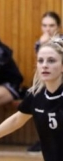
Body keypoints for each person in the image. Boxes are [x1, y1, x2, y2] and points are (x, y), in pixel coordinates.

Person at [28, 12, 61, 153]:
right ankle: (44, 140)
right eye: (45, 25)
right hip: (47, 85)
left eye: (51, 25)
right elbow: (42, 68)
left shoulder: (61, 43)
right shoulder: (39, 43)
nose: (48, 29)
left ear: (58, 27)